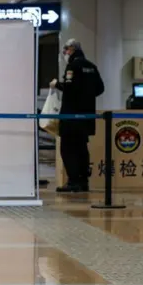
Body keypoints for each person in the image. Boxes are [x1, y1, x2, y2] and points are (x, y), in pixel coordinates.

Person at [51, 38, 104, 193]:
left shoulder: (72, 66)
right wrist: (87, 96)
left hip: (71, 115)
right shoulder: (92, 67)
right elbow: (100, 88)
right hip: (87, 116)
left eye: (66, 50)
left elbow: (70, 88)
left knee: (67, 148)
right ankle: (83, 181)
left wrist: (56, 85)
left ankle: (73, 181)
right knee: (81, 147)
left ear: (72, 49)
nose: (65, 53)